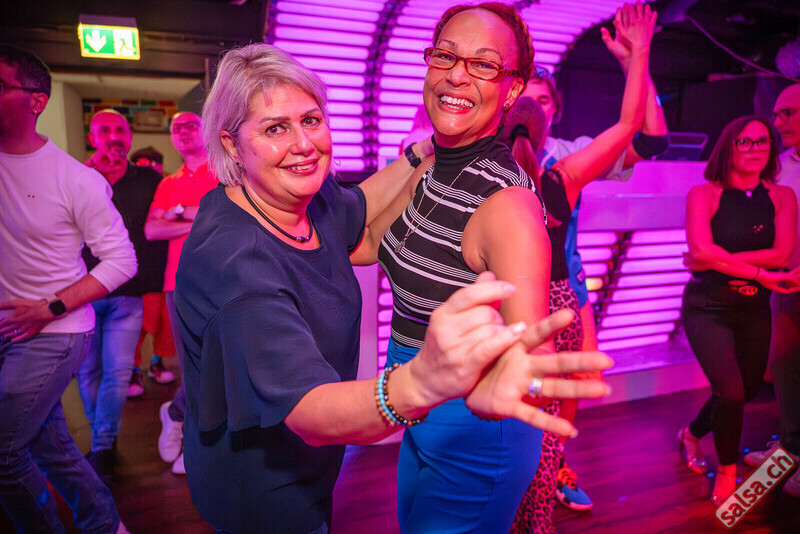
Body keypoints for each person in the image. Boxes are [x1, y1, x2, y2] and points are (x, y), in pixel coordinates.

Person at [176, 42, 612, 534]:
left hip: (305, 473)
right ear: (232, 145)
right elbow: (309, 412)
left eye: (311, 120)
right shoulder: (237, 266)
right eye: (275, 128)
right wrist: (420, 382)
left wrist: (429, 147)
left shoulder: (289, 201)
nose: (303, 144)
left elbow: (360, 202)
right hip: (263, 496)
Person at [376, 3, 602, 531]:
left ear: (513, 88)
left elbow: (533, 348)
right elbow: (362, 234)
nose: (457, 74)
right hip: (417, 401)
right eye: (446, 56)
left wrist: (515, 377)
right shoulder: (433, 167)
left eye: (482, 64)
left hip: (474, 428)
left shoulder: (507, 203)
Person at [504, 6, 655, 531]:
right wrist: (639, 55)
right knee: (547, 427)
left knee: (510, 425)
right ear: (543, 128)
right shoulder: (559, 176)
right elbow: (631, 125)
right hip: (558, 306)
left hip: (506, 309)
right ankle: (537, 520)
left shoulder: (476, 178)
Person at [0, 44, 136, 533]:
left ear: (36, 101)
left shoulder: (76, 179)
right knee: (47, 442)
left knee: (5, 451)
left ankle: (104, 453)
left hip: (55, 328)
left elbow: (123, 259)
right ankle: (106, 524)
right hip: (9, 328)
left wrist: (49, 307)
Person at [679, 115, 796, 505]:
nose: (755, 148)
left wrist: (716, 258)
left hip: (754, 309)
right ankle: (727, 472)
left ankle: (691, 433)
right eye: (745, 141)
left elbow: (782, 254)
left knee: (742, 393)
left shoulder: (782, 197)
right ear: (728, 147)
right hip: (707, 307)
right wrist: (761, 273)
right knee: (729, 393)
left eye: (763, 141)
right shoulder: (704, 194)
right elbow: (700, 250)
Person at [78, 109, 167, 486]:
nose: (114, 136)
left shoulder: (149, 179)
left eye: (120, 129)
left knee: (116, 372)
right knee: (88, 372)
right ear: (92, 137)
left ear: (129, 137)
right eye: (105, 130)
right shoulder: (75, 176)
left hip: (128, 293)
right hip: (81, 291)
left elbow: (161, 224)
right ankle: (102, 437)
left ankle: (102, 446)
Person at [144, 111, 218, 475]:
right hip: (178, 284)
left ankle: (175, 412)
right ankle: (194, 441)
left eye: (191, 125)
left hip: (223, 280)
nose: (184, 131)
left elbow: (223, 218)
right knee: (194, 365)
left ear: (206, 130)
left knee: (218, 362)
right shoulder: (168, 183)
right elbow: (151, 230)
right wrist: (197, 218)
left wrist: (177, 214)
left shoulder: (223, 172)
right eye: (177, 127)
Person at [742, 83, 800, 497]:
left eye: (789, 113)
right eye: (776, 114)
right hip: (787, 286)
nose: (778, 122)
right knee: (785, 370)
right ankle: (790, 450)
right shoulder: (779, 167)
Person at [128, 145, 176, 398]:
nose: (149, 168)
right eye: (142, 164)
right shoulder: (128, 188)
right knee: (138, 324)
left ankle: (157, 362)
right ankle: (134, 368)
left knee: (164, 323)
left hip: (165, 266)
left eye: (153, 163)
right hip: (137, 267)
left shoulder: (168, 185)